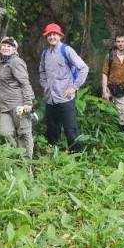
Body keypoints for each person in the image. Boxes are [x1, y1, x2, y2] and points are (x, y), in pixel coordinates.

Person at [39, 23, 89, 152]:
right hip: (51, 98)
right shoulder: (45, 53)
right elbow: (42, 71)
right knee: (52, 128)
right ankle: (52, 153)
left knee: (71, 129)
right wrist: (44, 85)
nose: (52, 37)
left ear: (60, 36)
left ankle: (77, 156)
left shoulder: (66, 50)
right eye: (49, 35)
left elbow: (83, 68)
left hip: (65, 97)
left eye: (54, 34)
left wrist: (74, 87)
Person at [0, 36, 36, 158]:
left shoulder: (16, 62)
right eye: (4, 45)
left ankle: (26, 164)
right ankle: (15, 159)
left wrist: (28, 102)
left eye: (9, 46)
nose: (6, 48)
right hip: (5, 107)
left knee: (24, 133)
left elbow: (25, 82)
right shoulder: (2, 62)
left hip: (19, 104)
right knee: (5, 133)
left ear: (14, 49)